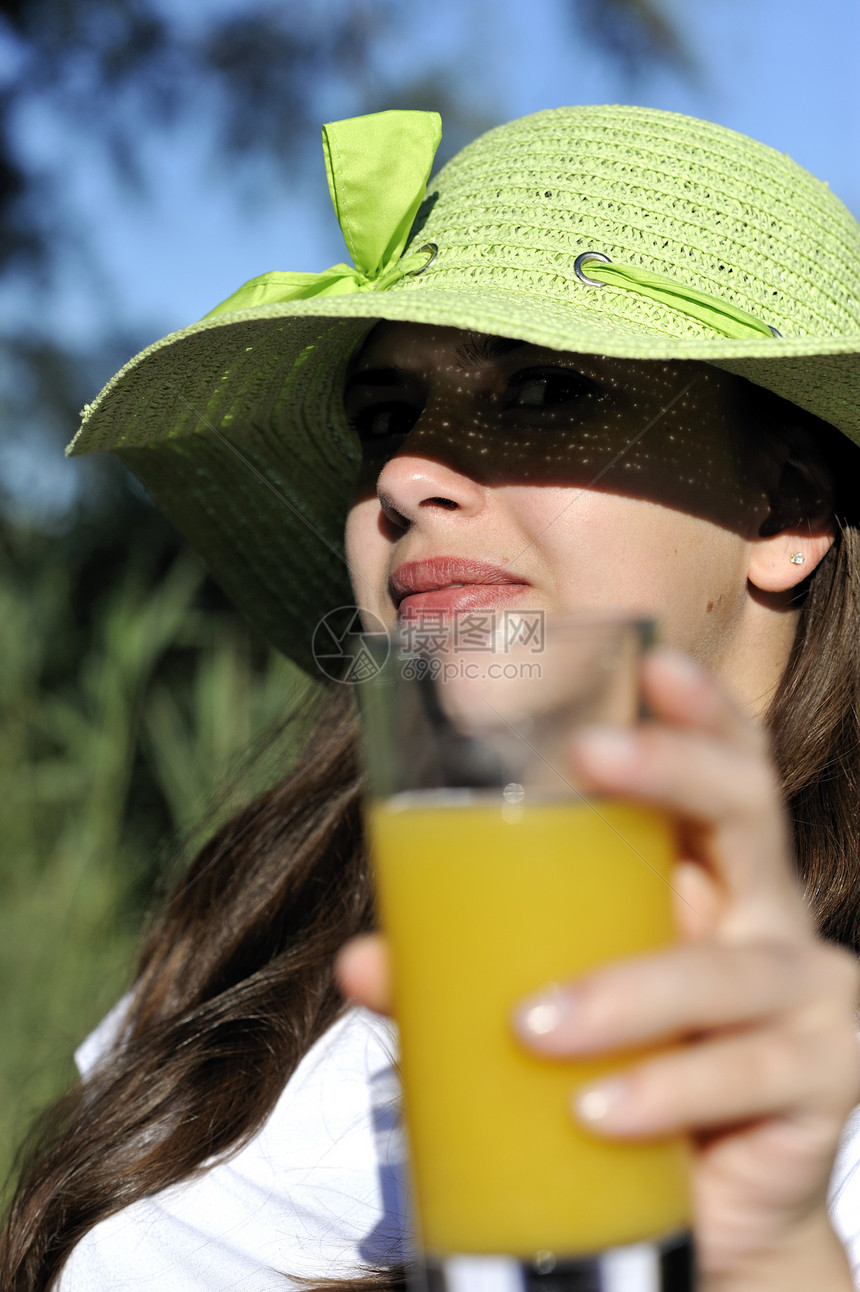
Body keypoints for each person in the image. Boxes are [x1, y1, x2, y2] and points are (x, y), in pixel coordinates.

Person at [2, 104, 859, 1291]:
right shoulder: (260, 932)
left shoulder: (817, 1059)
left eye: (549, 389)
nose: (404, 471)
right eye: (385, 417)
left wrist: (767, 1253)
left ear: (783, 513)